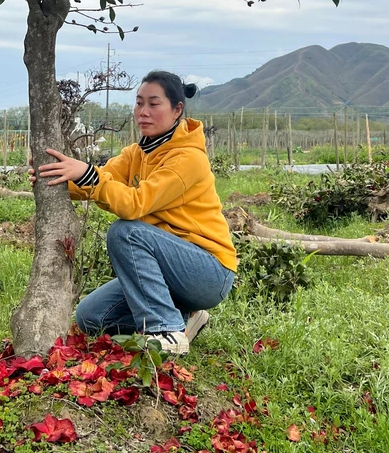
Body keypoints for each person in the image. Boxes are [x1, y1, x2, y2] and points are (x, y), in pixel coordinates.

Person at [30, 70, 236, 356]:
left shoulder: (188, 158)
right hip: (170, 269)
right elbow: (101, 180)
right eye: (139, 103)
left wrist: (87, 174)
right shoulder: (137, 153)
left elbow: (133, 203)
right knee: (91, 317)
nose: (144, 112)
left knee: (126, 232)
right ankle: (185, 318)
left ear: (177, 110)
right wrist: (57, 177)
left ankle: (167, 331)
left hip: (208, 272)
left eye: (154, 104)